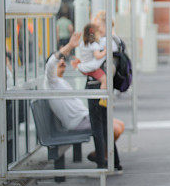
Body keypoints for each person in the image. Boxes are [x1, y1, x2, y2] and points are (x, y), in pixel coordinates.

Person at [43, 32, 124, 170]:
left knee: (119, 125)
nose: (62, 62)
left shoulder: (60, 81)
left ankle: (101, 154)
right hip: (77, 121)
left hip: (83, 117)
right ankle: (103, 155)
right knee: (113, 128)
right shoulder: (51, 81)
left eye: (63, 61)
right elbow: (52, 61)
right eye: (60, 62)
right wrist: (70, 45)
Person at [73, 23, 108, 107]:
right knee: (105, 80)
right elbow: (97, 56)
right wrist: (105, 51)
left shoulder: (83, 44)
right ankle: (103, 99)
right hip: (92, 69)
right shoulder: (94, 45)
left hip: (84, 67)